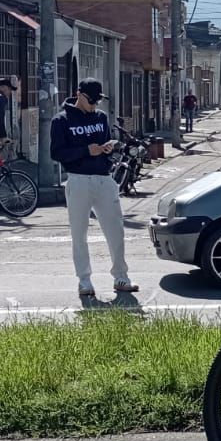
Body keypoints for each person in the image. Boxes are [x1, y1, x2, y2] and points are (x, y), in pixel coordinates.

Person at [50, 78, 136, 301]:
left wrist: (109, 148)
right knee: (79, 233)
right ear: (78, 94)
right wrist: (86, 151)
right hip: (78, 179)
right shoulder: (61, 120)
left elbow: (106, 142)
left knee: (115, 229)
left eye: (97, 101)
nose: (94, 105)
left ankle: (121, 276)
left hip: (104, 179)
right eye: (91, 101)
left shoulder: (100, 117)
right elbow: (57, 153)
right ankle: (84, 280)